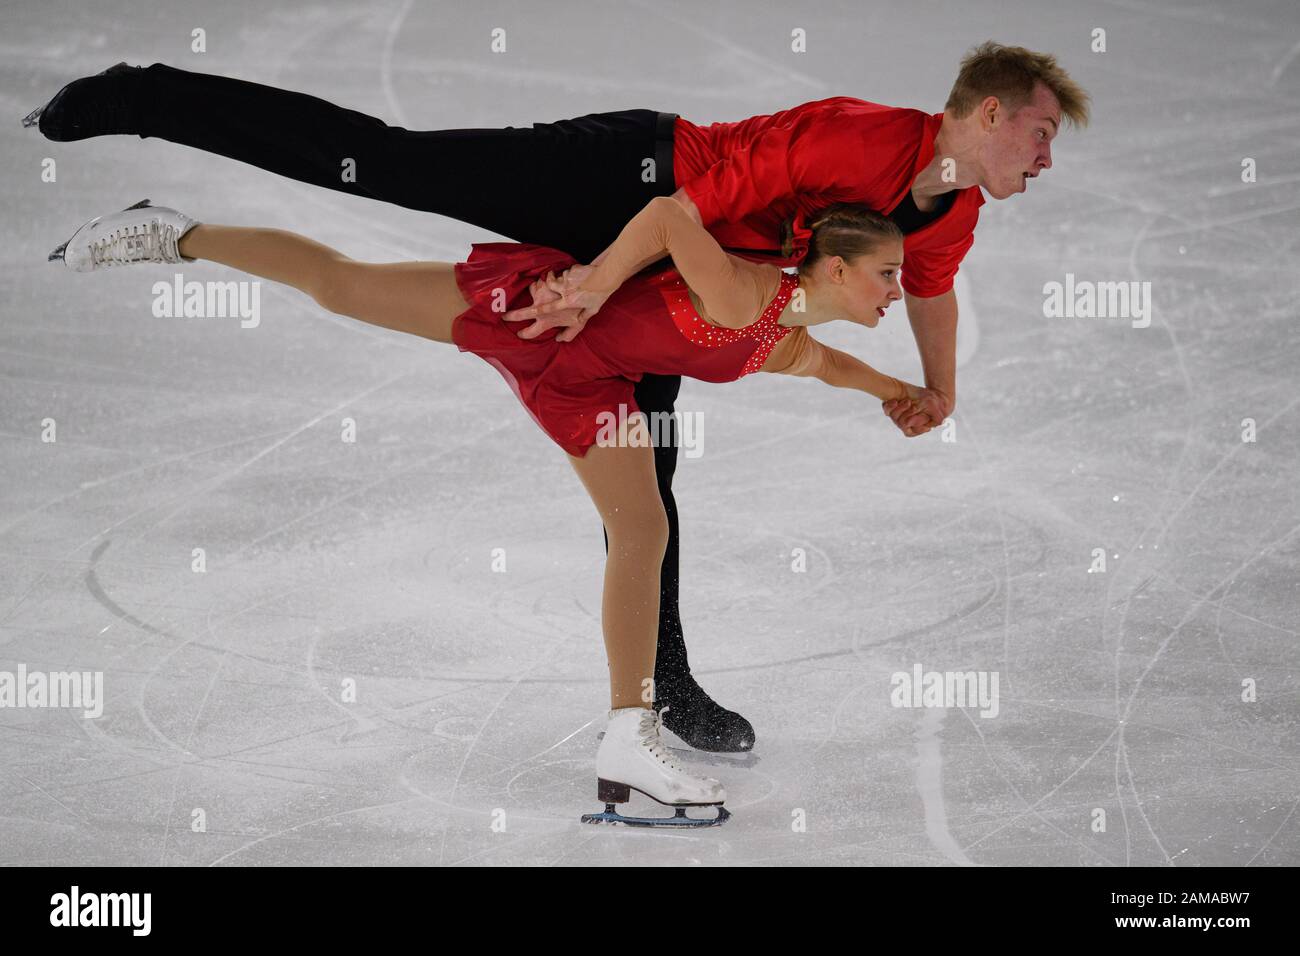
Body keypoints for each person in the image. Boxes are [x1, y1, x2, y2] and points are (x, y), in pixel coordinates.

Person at [25, 40, 1090, 754]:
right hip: (624, 184)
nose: (1046, 158)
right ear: (988, 113)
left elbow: (930, 294)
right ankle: (148, 98)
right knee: (382, 164)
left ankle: (663, 680)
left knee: (654, 485)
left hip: (687, 286)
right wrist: (589, 283)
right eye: (1039, 133)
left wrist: (932, 390)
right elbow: (684, 204)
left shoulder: (949, 218)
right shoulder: (855, 135)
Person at [48, 194, 917, 825]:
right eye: (887, 275)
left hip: (590, 383)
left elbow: (824, 366)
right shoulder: (741, 294)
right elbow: (661, 216)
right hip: (535, 318)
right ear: (834, 269)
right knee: (342, 285)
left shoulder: (776, 328)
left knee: (643, 525)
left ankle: (626, 737)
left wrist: (899, 392)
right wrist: (591, 285)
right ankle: (173, 233)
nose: (897, 291)